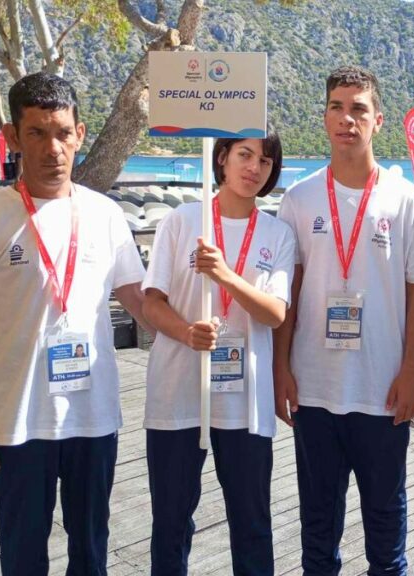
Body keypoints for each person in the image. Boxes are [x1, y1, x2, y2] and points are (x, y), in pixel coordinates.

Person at [0, 72, 149, 575]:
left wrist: (193, 324)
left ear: (80, 134)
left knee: (91, 549)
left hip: (93, 416)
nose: (52, 148)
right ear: (12, 137)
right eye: (36, 133)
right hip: (17, 419)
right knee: (22, 553)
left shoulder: (105, 214)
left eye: (62, 133)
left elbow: (138, 299)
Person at [274, 65, 414, 575]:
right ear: (325, 117)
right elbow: (287, 292)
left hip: (382, 389)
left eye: (359, 109)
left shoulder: (407, 200)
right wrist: (281, 368)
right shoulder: (298, 199)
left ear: (378, 120)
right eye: (337, 108)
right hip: (314, 388)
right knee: (317, 528)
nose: (347, 119)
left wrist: (413, 372)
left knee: (386, 527)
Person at [141, 130, 295, 575]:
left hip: (245, 403)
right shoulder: (183, 221)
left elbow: (274, 313)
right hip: (177, 395)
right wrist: (187, 332)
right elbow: (152, 302)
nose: (254, 168)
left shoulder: (277, 233)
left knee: (251, 524)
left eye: (265, 161)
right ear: (222, 157)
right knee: (171, 521)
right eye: (245, 155)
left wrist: (226, 275)